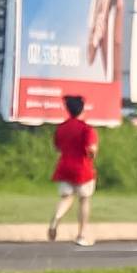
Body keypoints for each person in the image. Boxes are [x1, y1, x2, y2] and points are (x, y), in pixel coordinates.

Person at [46, 92, 98, 247]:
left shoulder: (62, 128)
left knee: (66, 197)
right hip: (82, 168)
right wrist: (93, 155)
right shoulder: (86, 129)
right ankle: (81, 235)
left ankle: (56, 218)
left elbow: (57, 146)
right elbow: (91, 149)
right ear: (82, 109)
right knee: (84, 200)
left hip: (64, 166)